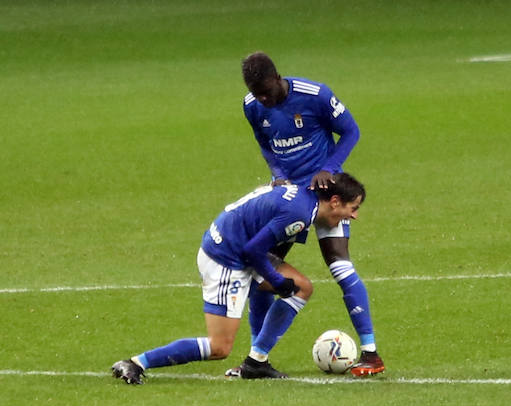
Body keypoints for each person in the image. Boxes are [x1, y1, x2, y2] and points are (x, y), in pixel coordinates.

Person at [111, 174, 367, 384]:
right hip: (225, 258)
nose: (354, 216)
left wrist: (277, 282)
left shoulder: (303, 200)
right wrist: (277, 283)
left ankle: (256, 362)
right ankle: (136, 363)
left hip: (237, 247)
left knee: (302, 288)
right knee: (219, 347)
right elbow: (253, 251)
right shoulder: (299, 214)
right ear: (334, 201)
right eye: (353, 208)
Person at [237, 52, 384, 377]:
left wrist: (328, 169)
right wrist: (277, 172)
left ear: (278, 78)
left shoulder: (315, 95)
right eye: (257, 94)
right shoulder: (252, 105)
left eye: (267, 91)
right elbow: (264, 143)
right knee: (261, 273)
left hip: (326, 196)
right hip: (289, 200)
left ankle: (371, 353)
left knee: (340, 265)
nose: (264, 99)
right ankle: (255, 360)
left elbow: (351, 131)